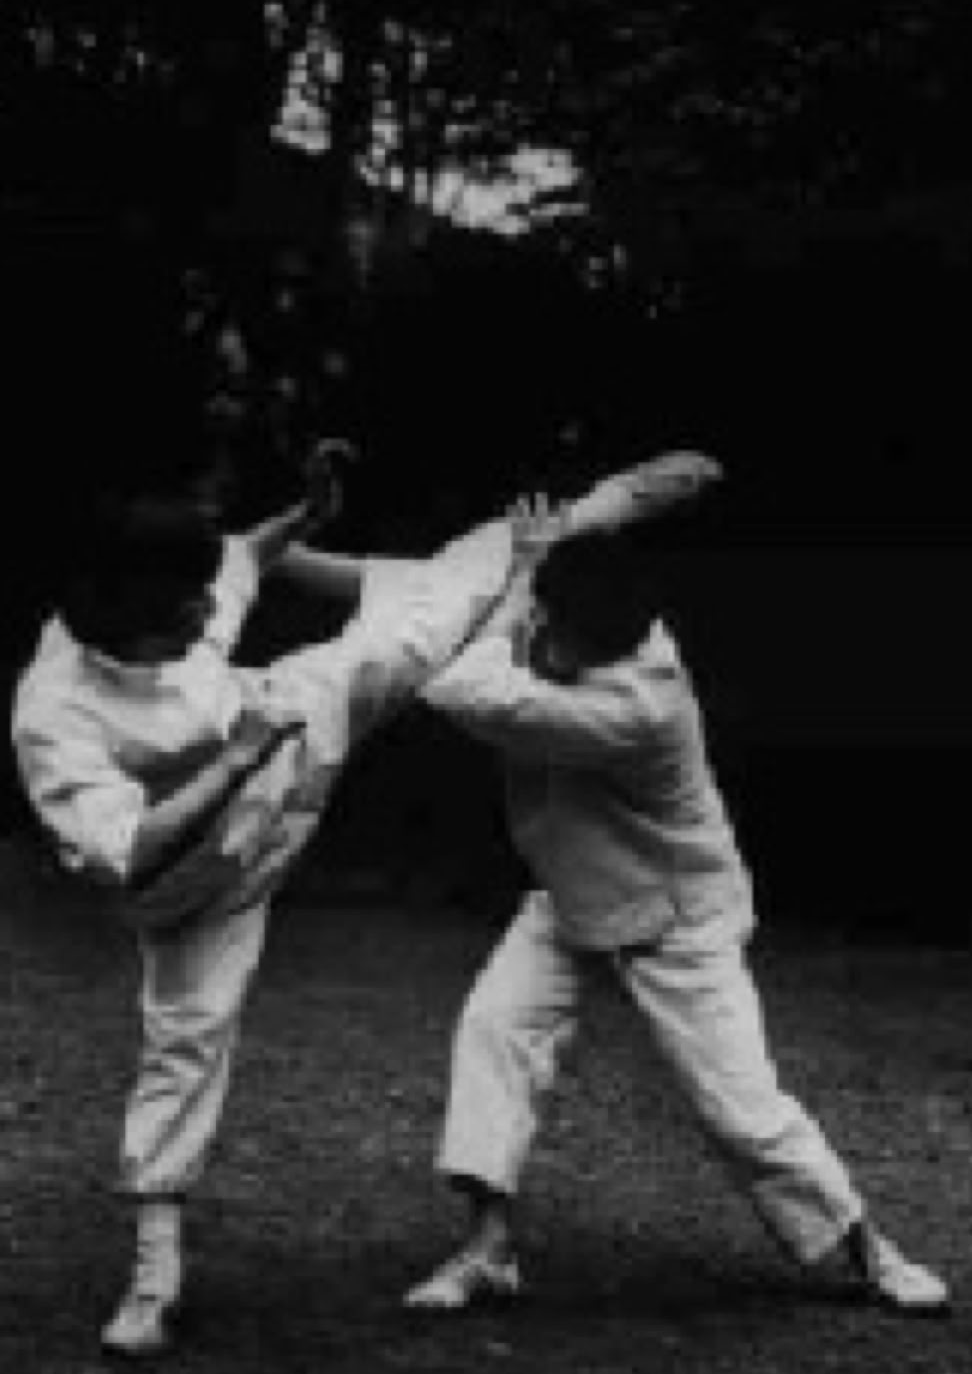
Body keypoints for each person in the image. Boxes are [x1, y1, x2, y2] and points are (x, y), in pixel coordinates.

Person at [12, 446, 525, 1355]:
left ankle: (527, 542)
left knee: (397, 641)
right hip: (196, 888)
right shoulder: (55, 715)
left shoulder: (171, 595)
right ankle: (153, 1278)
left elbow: (240, 557)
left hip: (291, 743)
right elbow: (127, 853)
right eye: (190, 612)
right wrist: (234, 760)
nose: (215, 614)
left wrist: (309, 512)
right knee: (185, 1041)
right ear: (129, 618)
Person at [404, 501, 950, 1317]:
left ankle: (871, 1250)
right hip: (569, 893)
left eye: (578, 651)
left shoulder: (635, 703)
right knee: (493, 1034)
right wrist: (529, 560)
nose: (564, 659)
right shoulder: (574, 614)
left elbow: (454, 682)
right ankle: (488, 1249)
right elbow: (513, 619)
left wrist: (517, 573)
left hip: (673, 915)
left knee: (739, 1108)